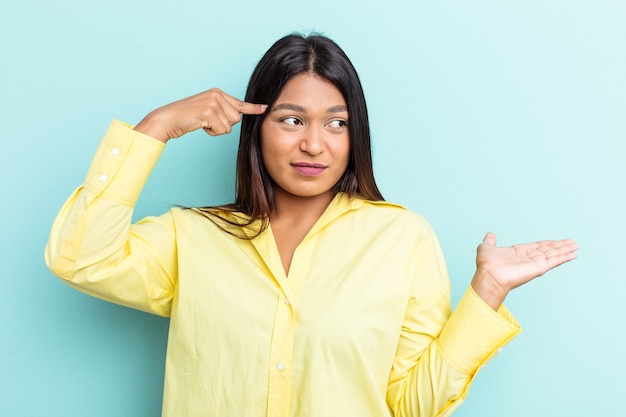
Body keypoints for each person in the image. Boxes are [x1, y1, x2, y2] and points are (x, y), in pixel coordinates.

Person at [45, 34, 578, 417]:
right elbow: (80, 258)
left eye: (336, 123)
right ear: (255, 128)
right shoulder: (192, 237)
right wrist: (154, 129)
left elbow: (410, 406)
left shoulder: (401, 240)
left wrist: (487, 292)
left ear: (355, 136)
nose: (314, 144)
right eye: (292, 119)